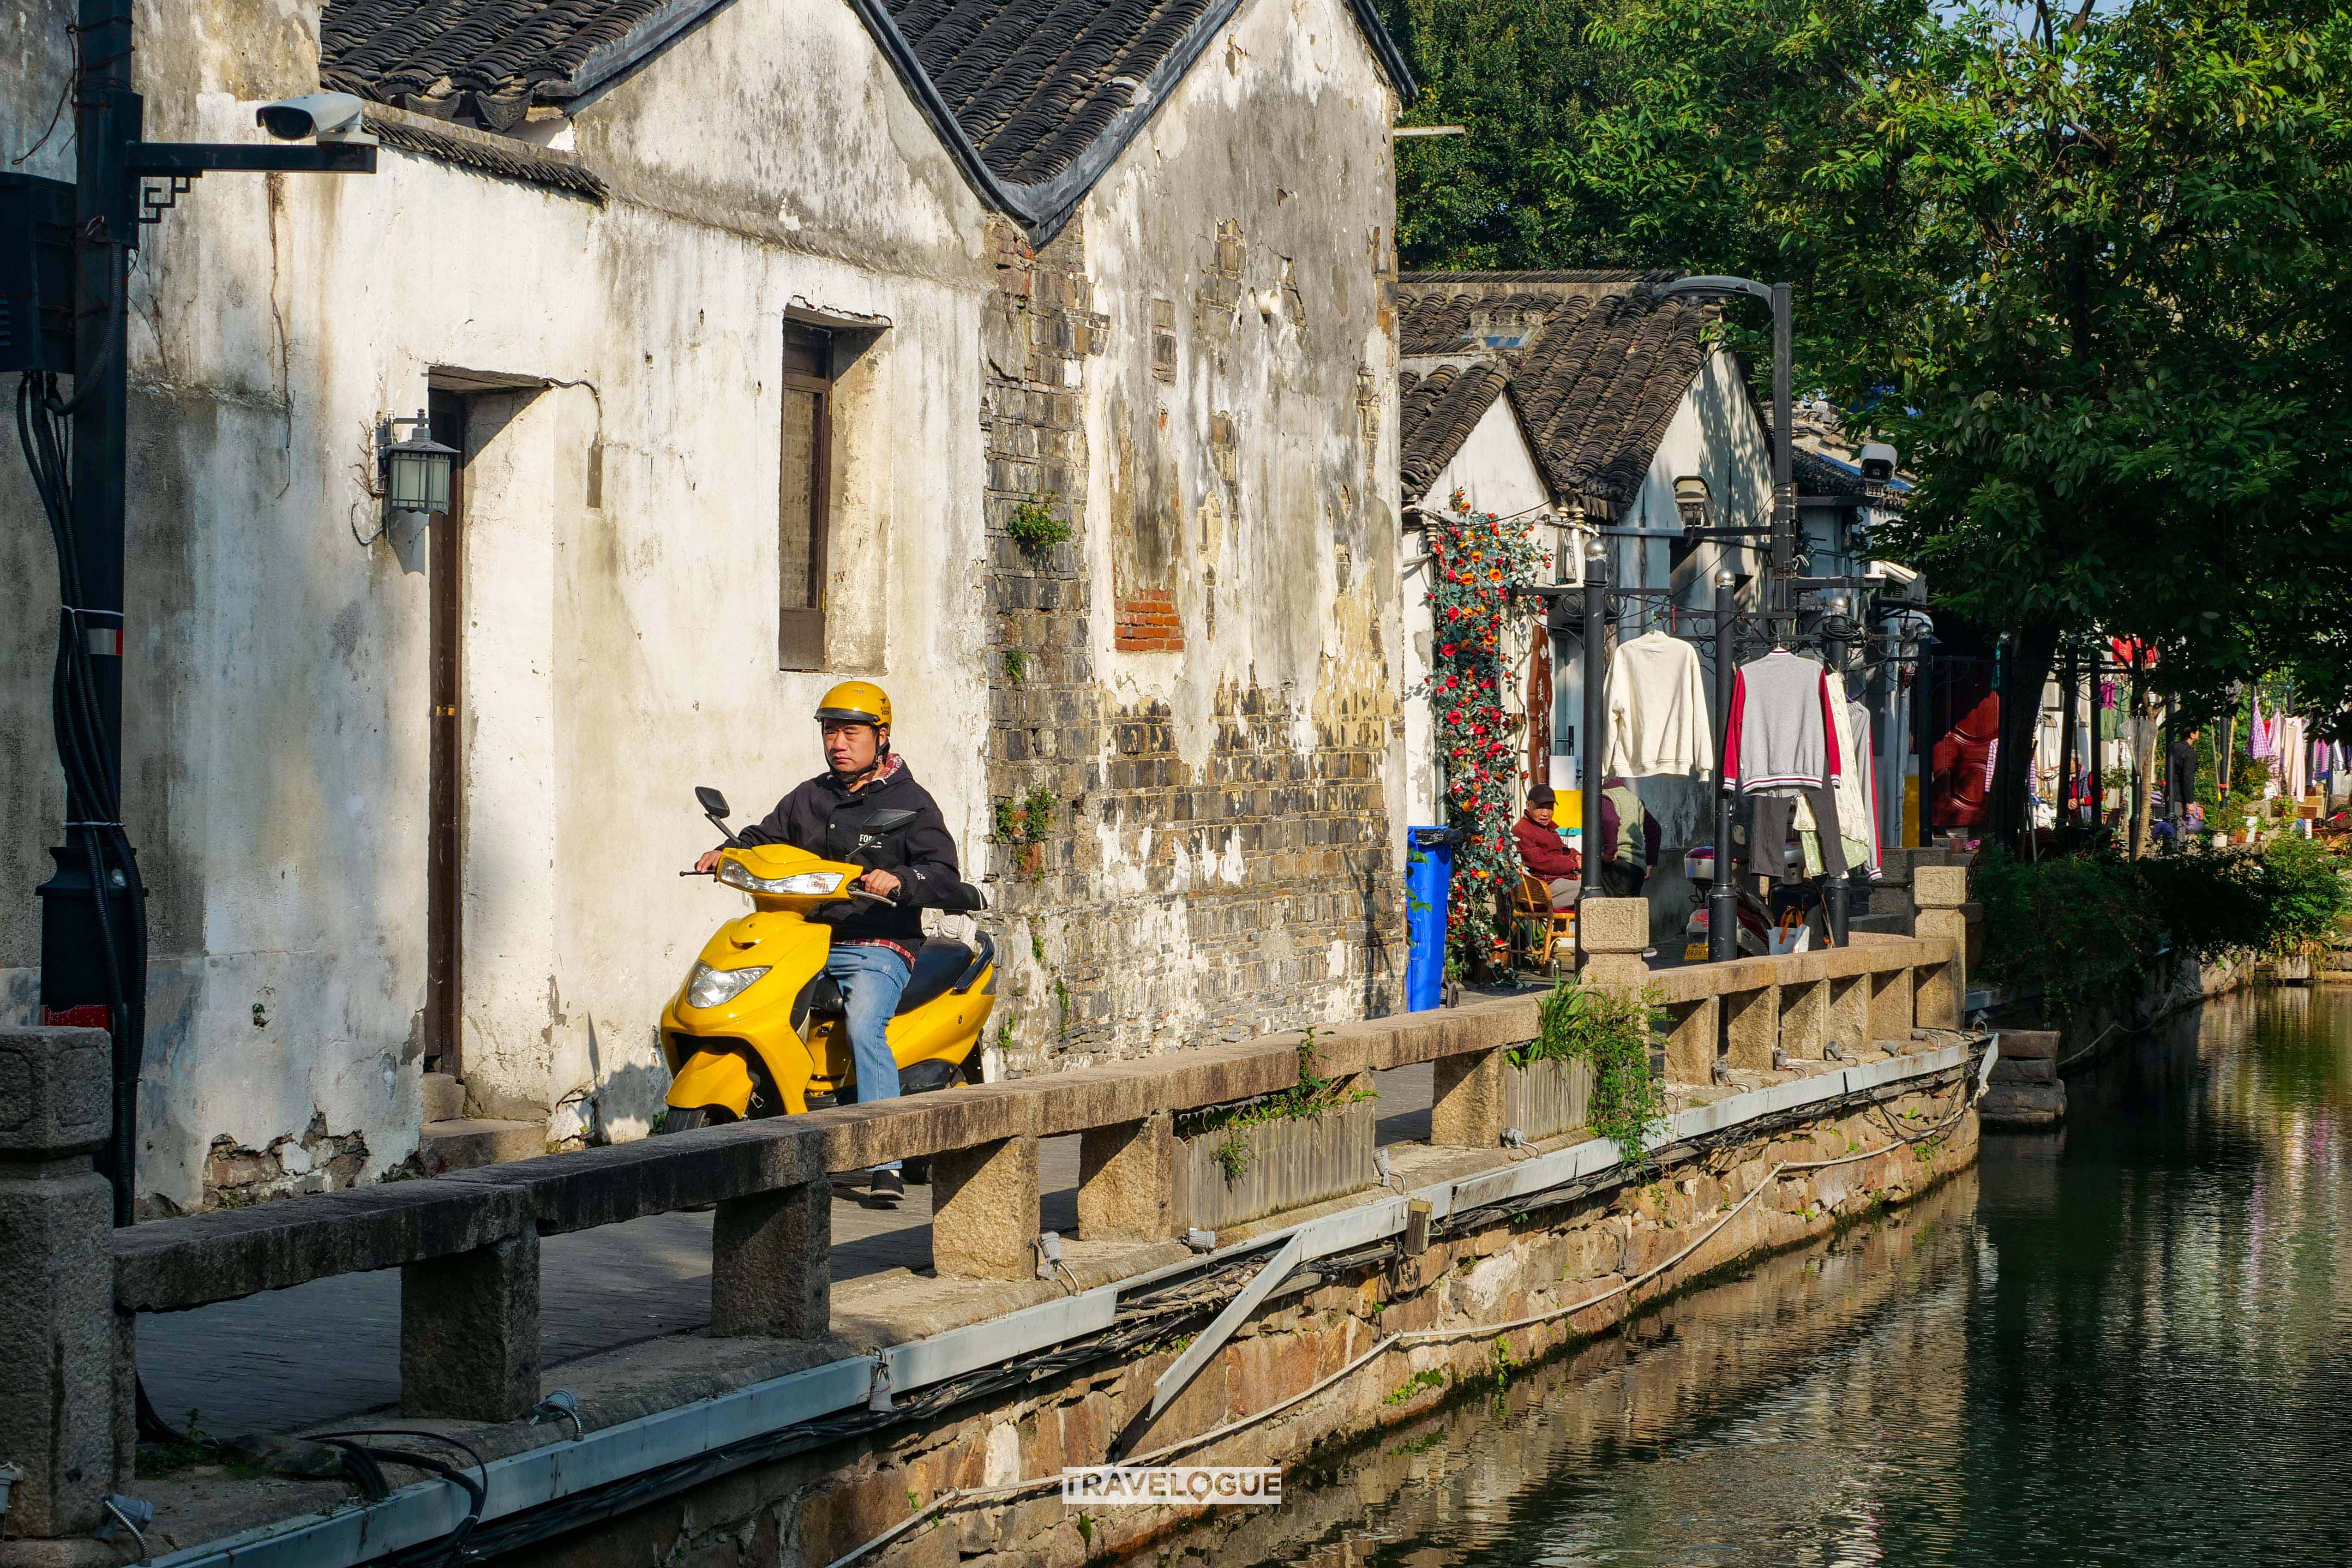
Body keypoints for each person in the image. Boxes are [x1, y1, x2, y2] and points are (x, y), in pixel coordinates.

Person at [694, 681, 957, 1199]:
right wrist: (726, 853)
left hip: (878, 942)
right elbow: (766, 838)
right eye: (830, 731)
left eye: (850, 731)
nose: (838, 742)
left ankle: (885, 1158)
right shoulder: (809, 796)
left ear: (881, 736)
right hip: (804, 937)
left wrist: (900, 878)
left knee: (864, 1024)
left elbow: (943, 870)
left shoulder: (911, 802)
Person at [1512, 785, 1582, 908]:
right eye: (1540, 808)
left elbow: (1563, 850)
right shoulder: (1521, 830)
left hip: (1557, 883)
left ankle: (1562, 929)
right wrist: (1574, 864)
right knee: (1592, 890)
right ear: (1528, 805)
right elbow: (1540, 861)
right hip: (1541, 891)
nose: (1545, 813)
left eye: (1550, 808)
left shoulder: (1548, 829)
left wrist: (1577, 856)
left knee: (1600, 883)